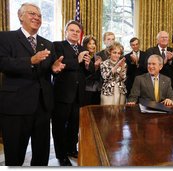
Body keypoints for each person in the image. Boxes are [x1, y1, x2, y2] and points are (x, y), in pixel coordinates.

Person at [0, 3, 65, 166]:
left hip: (42, 106)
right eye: (32, 14)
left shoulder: (47, 43)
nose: (37, 17)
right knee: (15, 155)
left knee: (41, 154)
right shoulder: (5, 37)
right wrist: (30, 60)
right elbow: (3, 63)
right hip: (16, 106)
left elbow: (47, 69)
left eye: (40, 15)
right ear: (20, 16)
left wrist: (53, 69)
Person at [52, 20, 93, 166]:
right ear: (66, 32)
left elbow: (87, 73)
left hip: (78, 95)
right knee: (59, 126)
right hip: (62, 94)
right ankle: (61, 155)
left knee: (74, 125)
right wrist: (78, 59)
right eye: (72, 30)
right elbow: (60, 65)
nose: (75, 33)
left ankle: (71, 148)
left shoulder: (82, 48)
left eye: (77, 31)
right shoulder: (57, 45)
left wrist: (88, 65)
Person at [82, 35, 102, 105]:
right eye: (89, 43)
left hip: (98, 89)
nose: (92, 46)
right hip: (86, 89)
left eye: (94, 43)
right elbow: (84, 75)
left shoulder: (98, 57)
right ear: (85, 45)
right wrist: (95, 67)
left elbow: (99, 75)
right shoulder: (82, 57)